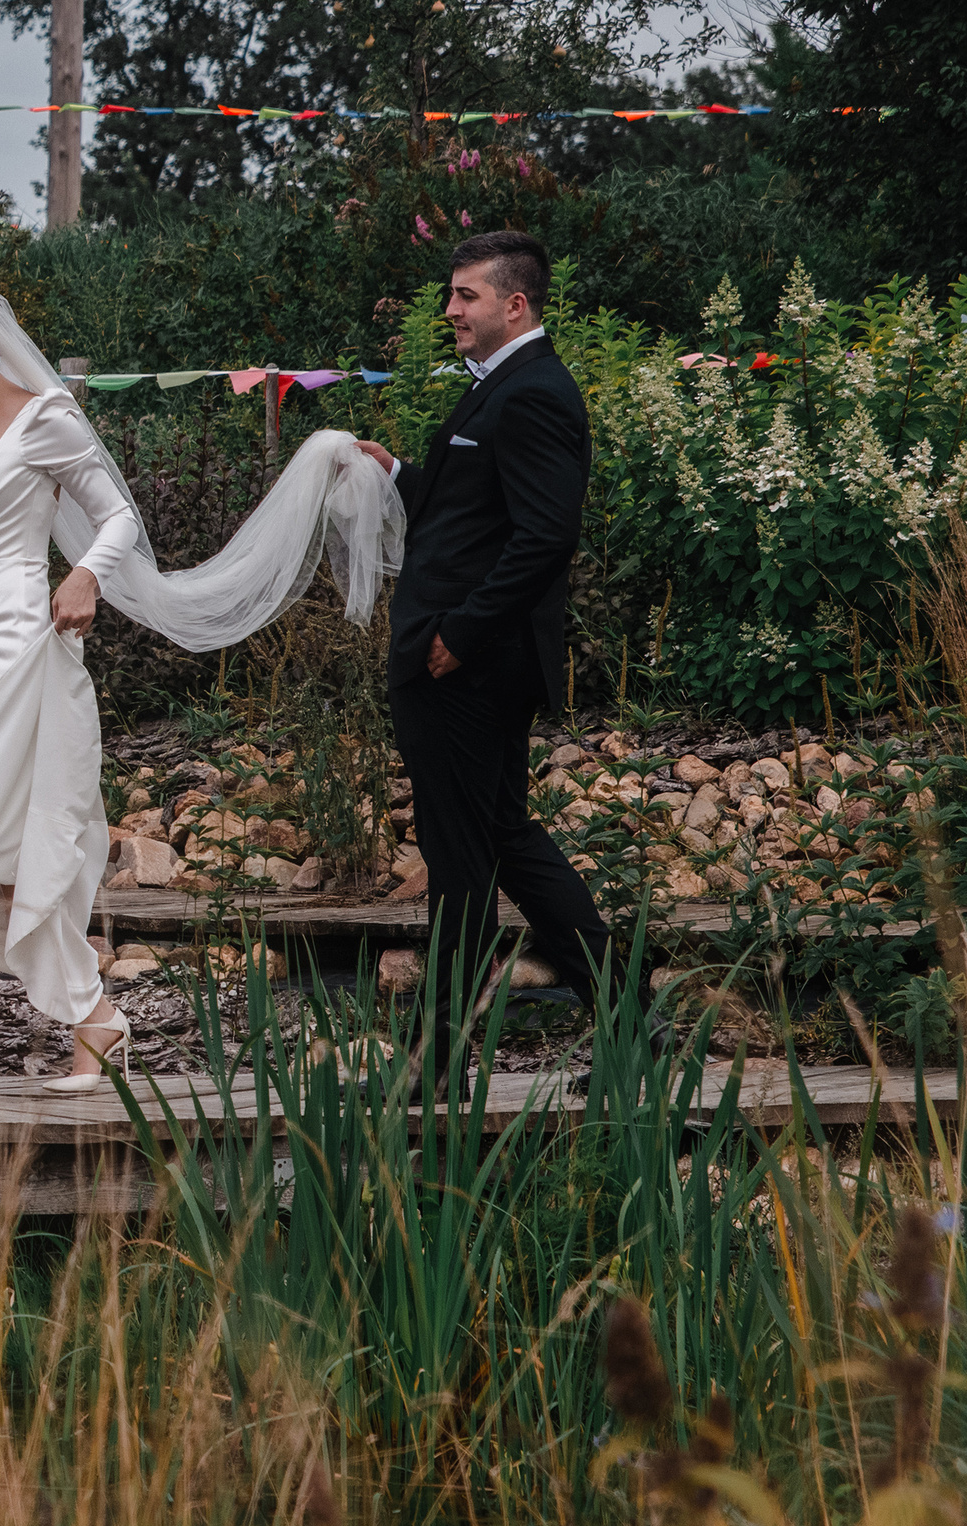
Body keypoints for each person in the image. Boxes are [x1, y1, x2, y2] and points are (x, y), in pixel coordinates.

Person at [0, 283, 402, 1100]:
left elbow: (117, 514)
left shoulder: (45, 418)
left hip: (17, 636)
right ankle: (95, 1021)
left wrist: (86, 571)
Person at [350, 229, 613, 1089]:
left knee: (463, 858)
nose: (450, 310)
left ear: (515, 304)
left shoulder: (533, 393)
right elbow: (476, 515)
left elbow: (545, 536)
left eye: (465, 296)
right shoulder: (498, 388)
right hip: (464, 660)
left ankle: (440, 1063)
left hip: (467, 665)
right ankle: (623, 1021)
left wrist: (456, 635)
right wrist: (399, 478)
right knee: (500, 838)